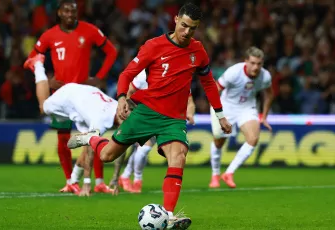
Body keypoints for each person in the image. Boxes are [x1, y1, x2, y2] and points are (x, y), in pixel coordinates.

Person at [68, 3, 232, 229]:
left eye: (192, 28)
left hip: (173, 119)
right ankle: (90, 138)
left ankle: (169, 215)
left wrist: (220, 114)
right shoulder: (154, 46)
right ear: (175, 19)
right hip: (146, 112)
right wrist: (123, 97)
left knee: (179, 156)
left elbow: (208, 83)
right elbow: (127, 74)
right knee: (107, 155)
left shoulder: (198, 51)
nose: (186, 32)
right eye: (183, 26)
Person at [26, 0, 117, 193]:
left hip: (85, 95)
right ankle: (70, 181)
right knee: (63, 138)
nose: (70, 14)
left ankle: (99, 182)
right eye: (66, 10)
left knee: (94, 135)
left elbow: (111, 52)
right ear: (59, 12)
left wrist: (99, 78)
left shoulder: (89, 30)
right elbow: (32, 57)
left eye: (73, 11)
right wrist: (49, 81)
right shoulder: (49, 35)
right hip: (61, 95)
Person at [24, 53, 119, 196]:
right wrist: (87, 183)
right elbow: (90, 150)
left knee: (89, 142)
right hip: (69, 96)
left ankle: (72, 182)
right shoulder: (101, 119)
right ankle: (37, 64)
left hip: (84, 99)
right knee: (43, 107)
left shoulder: (119, 107)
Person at [118, 70, 196, 193]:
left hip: (167, 119)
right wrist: (132, 110)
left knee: (142, 149)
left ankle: (125, 176)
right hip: (147, 115)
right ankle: (136, 179)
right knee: (144, 149)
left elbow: (190, 102)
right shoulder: (144, 75)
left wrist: (190, 113)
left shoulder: (181, 77)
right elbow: (129, 91)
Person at [208, 47, 274, 189]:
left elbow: (269, 94)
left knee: (253, 139)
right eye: (253, 63)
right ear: (246, 62)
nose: (256, 67)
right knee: (219, 142)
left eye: (259, 64)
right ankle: (215, 175)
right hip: (226, 107)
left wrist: (264, 116)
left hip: (247, 108)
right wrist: (218, 114)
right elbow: (215, 90)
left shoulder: (265, 76)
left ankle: (229, 173)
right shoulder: (234, 72)